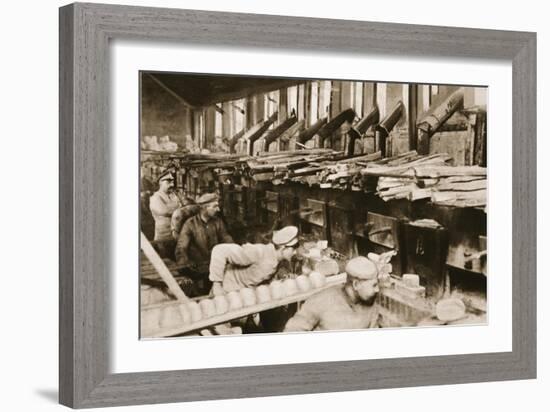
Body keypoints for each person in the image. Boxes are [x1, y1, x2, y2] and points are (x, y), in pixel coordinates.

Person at [283, 256, 381, 332]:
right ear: (356, 284)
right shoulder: (321, 301)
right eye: (374, 285)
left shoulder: (370, 303)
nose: (378, 289)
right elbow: (291, 333)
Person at [209, 226, 299, 295]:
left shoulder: (277, 260)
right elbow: (219, 250)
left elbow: (262, 275)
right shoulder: (258, 252)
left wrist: (283, 278)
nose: (295, 252)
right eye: (293, 249)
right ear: (283, 248)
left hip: (243, 295)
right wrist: (217, 284)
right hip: (225, 292)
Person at [174, 192, 233, 295]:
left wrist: (236, 252)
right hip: (198, 269)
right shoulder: (190, 224)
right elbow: (181, 248)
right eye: (215, 206)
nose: (218, 209)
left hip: (215, 266)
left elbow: (226, 239)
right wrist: (185, 265)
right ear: (205, 208)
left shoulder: (217, 222)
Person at [148, 169, 182, 258]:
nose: (172, 185)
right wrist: (178, 208)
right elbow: (164, 211)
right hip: (163, 236)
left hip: (176, 235)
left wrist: (177, 208)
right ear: (160, 182)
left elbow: (182, 207)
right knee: (165, 259)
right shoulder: (155, 197)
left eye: (172, 182)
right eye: (168, 182)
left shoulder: (173, 195)